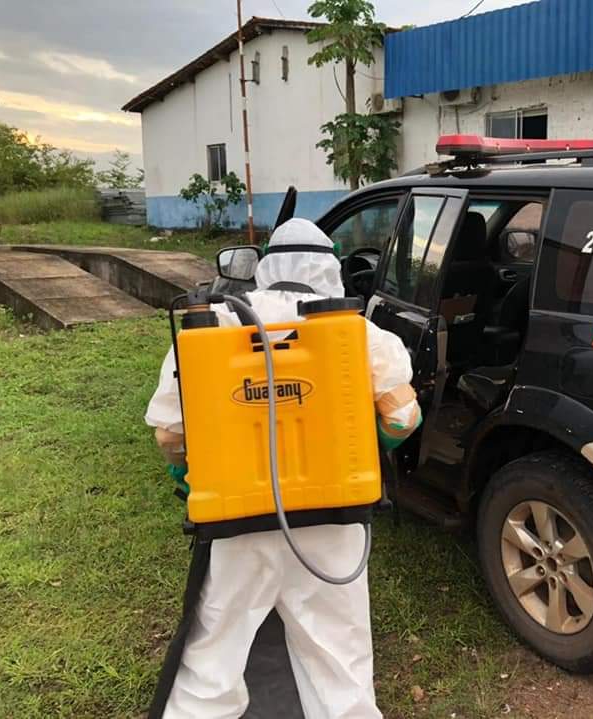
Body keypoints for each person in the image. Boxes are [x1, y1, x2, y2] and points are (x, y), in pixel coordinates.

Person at [145, 218, 421, 719]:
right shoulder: (359, 331)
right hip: (333, 522)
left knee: (214, 655)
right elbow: (402, 416)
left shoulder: (213, 327)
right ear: (330, 271)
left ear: (266, 268)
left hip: (236, 521)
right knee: (340, 660)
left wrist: (185, 474)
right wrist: (369, 445)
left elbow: (169, 433)